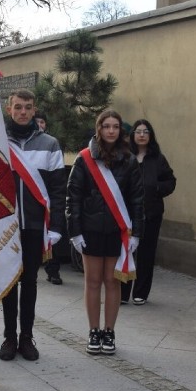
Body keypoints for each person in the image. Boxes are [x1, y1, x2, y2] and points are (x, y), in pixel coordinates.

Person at [66, 109, 144, 355]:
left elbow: (138, 200)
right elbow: (73, 197)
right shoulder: (84, 159)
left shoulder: (130, 161)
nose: (111, 131)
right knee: (92, 281)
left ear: (121, 130)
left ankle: (109, 331)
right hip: (90, 230)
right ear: (98, 128)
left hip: (117, 231)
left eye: (115, 126)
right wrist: (74, 231)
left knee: (112, 281)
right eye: (106, 126)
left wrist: (136, 233)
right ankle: (93, 330)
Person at [0, 90, 66, 361]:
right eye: (18, 107)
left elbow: (59, 189)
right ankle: (8, 337)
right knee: (8, 283)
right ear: (9, 109)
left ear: (34, 109)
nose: (23, 112)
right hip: (5, 226)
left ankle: (26, 337)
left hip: (35, 227)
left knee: (29, 282)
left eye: (28, 107)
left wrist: (57, 226)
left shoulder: (50, 144)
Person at [120, 119, 176, 305]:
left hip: (151, 213)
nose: (142, 135)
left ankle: (141, 292)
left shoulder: (158, 158)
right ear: (132, 135)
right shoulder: (125, 156)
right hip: (127, 212)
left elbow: (170, 181)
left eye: (146, 132)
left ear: (150, 136)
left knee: (146, 253)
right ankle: (122, 291)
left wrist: (155, 188)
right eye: (138, 131)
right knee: (126, 251)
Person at [35, 110, 63, 286]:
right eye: (36, 121)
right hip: (32, 200)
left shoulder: (52, 144)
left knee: (53, 239)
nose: (40, 125)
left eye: (43, 122)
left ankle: (53, 271)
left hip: (48, 199)